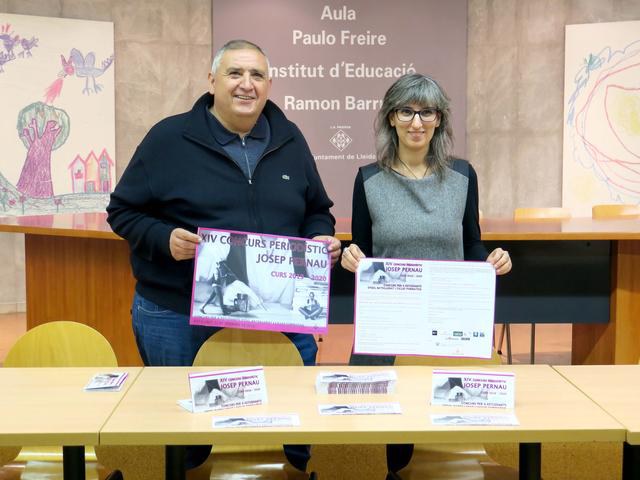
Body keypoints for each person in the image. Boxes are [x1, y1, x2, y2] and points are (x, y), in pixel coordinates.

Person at [107, 39, 341, 474]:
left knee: (293, 427)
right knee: (182, 437)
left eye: (257, 75)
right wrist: (164, 238)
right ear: (212, 80)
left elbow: (316, 210)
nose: (246, 84)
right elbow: (122, 211)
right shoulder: (168, 138)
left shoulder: (290, 138)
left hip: (280, 312)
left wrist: (319, 238)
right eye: (235, 73)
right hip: (178, 313)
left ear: (269, 85)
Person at [340, 73, 512, 478]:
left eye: (427, 112)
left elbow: (471, 243)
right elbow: (362, 249)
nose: (416, 122)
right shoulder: (368, 180)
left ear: (439, 119)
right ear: (391, 118)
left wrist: (490, 260)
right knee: (390, 436)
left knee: (446, 429)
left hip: (447, 324)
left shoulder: (463, 176)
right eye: (406, 111)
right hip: (389, 327)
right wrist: (351, 257)